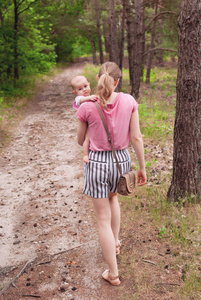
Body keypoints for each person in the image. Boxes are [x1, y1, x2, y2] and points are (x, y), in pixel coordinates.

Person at [76, 62, 147, 286]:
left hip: (97, 163)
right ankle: (115, 243)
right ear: (117, 81)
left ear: (98, 79)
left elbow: (80, 141)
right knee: (113, 197)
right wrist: (142, 167)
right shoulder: (129, 101)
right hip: (121, 161)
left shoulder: (87, 107)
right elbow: (136, 138)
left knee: (102, 219)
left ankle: (113, 274)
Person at [71, 75, 97, 163]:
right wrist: (89, 98)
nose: (84, 89)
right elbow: (81, 101)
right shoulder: (79, 98)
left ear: (89, 84)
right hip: (85, 123)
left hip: (91, 121)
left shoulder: (90, 96)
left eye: (85, 86)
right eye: (80, 89)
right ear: (75, 92)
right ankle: (86, 155)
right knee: (87, 138)